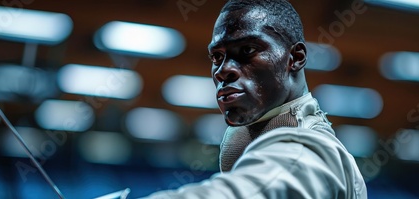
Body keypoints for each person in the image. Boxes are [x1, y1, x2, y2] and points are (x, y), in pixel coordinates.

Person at [144, 0, 367, 198]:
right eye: (217, 56)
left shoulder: (309, 152)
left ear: (296, 58)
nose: (222, 70)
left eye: (248, 49)